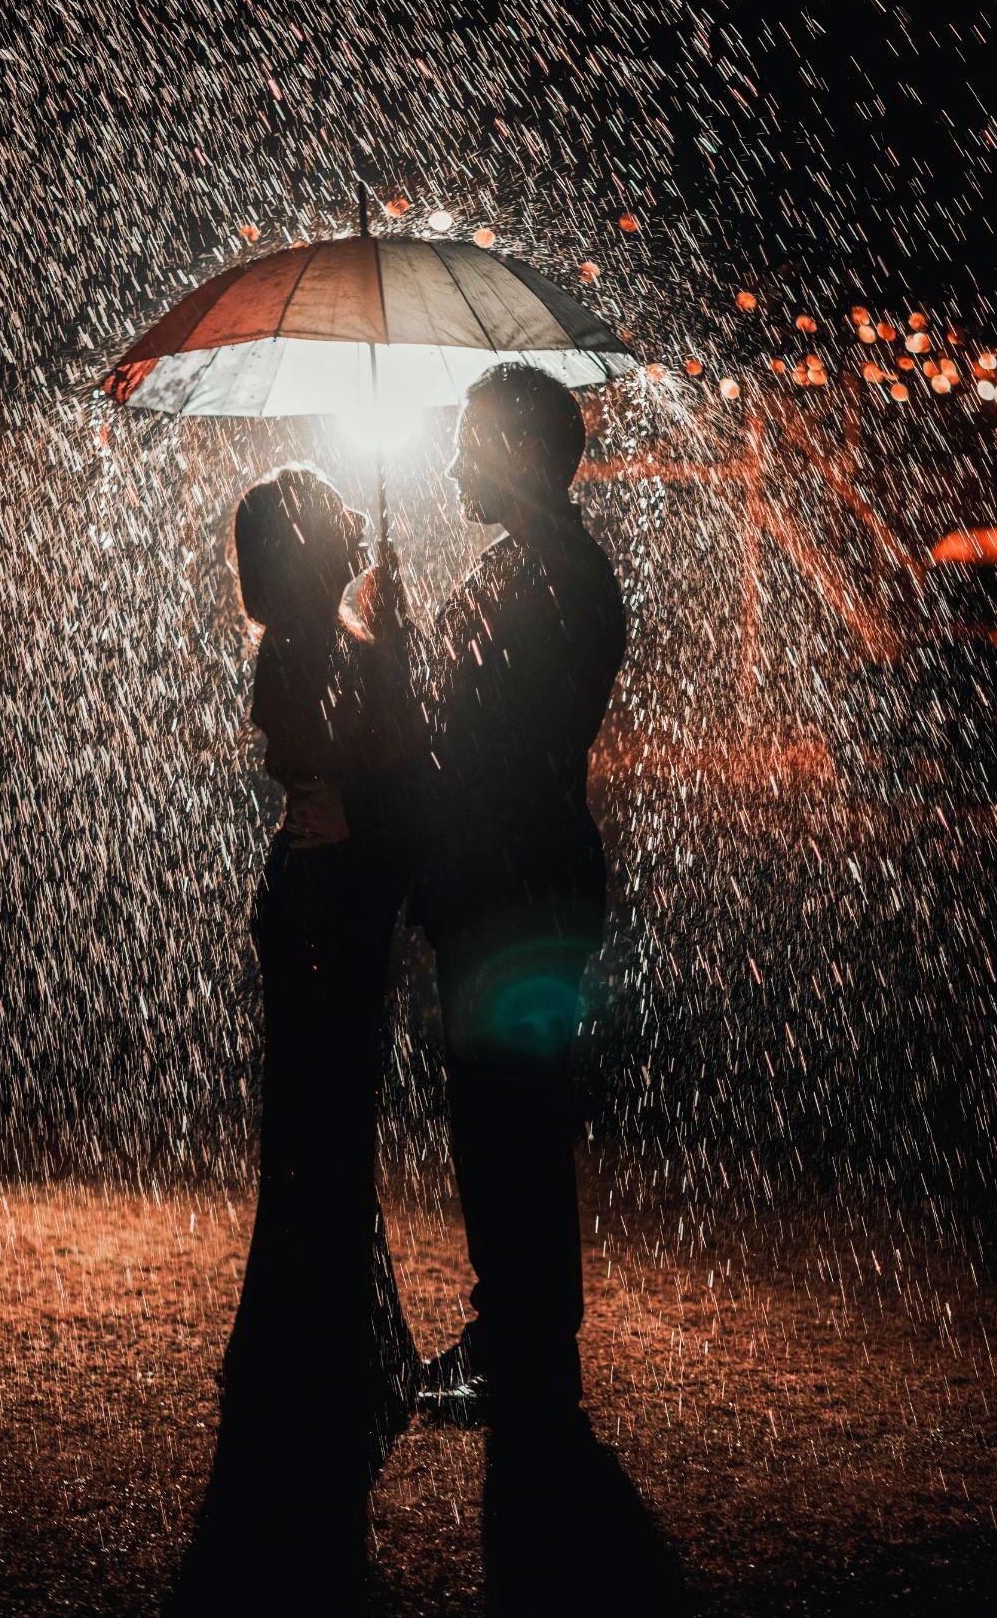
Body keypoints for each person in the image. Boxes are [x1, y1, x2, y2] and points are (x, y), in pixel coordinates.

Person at [167, 466, 421, 1615]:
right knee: (322, 1142)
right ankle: (328, 1363)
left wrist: (391, 636)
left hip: (317, 903)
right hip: (328, 913)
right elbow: (380, 764)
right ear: (316, 552)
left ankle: (319, 1359)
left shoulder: (315, 638)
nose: (356, 531)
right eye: (341, 527)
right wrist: (395, 663)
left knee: (316, 1143)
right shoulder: (313, 650)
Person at [414, 364, 626, 1433]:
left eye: (469, 440)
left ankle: (529, 1350)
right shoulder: (533, 570)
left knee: (513, 1120)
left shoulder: (553, 581)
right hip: (511, 882)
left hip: (518, 887)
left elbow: (486, 737)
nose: (453, 462)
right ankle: (517, 1335)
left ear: (526, 454)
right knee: (501, 1117)